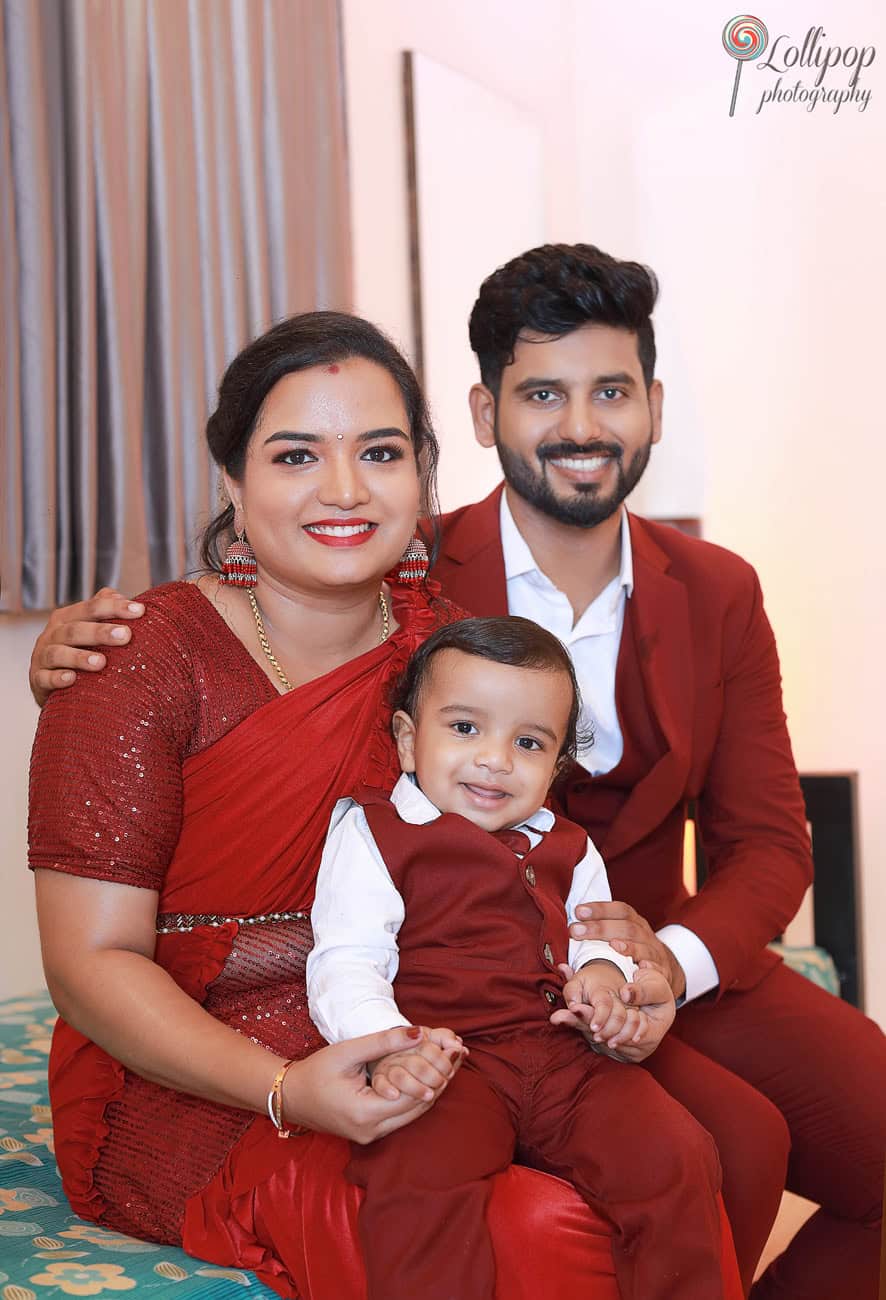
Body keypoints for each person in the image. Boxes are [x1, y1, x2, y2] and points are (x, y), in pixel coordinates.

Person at [28, 311, 671, 1300]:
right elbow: (90, 966)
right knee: (544, 1226)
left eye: (378, 451)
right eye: (295, 455)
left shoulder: (455, 659)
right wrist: (288, 1088)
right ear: (234, 484)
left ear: (421, 471)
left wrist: (607, 959)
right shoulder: (132, 659)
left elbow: (521, 863)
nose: (342, 489)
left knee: (721, 1139)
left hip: (451, 1036)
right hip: (204, 1073)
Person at [429, 242, 886, 1299]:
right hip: (482, 975)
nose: (581, 426)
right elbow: (263, 614)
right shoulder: (412, 571)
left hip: (665, 950)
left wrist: (673, 963)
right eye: (542, 392)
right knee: (737, 1145)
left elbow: (769, 844)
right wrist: (100, 639)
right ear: (483, 407)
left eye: (611, 391)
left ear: (655, 405)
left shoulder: (718, 590)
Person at [307, 615, 728, 1300]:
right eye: (465, 728)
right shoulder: (377, 833)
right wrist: (388, 1048)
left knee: (677, 1153)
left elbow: (595, 936)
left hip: (566, 1058)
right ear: (409, 741)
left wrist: (604, 981)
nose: (496, 759)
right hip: (450, 1061)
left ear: (556, 766)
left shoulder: (570, 845)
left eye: (528, 742)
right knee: (414, 1174)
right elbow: (346, 960)